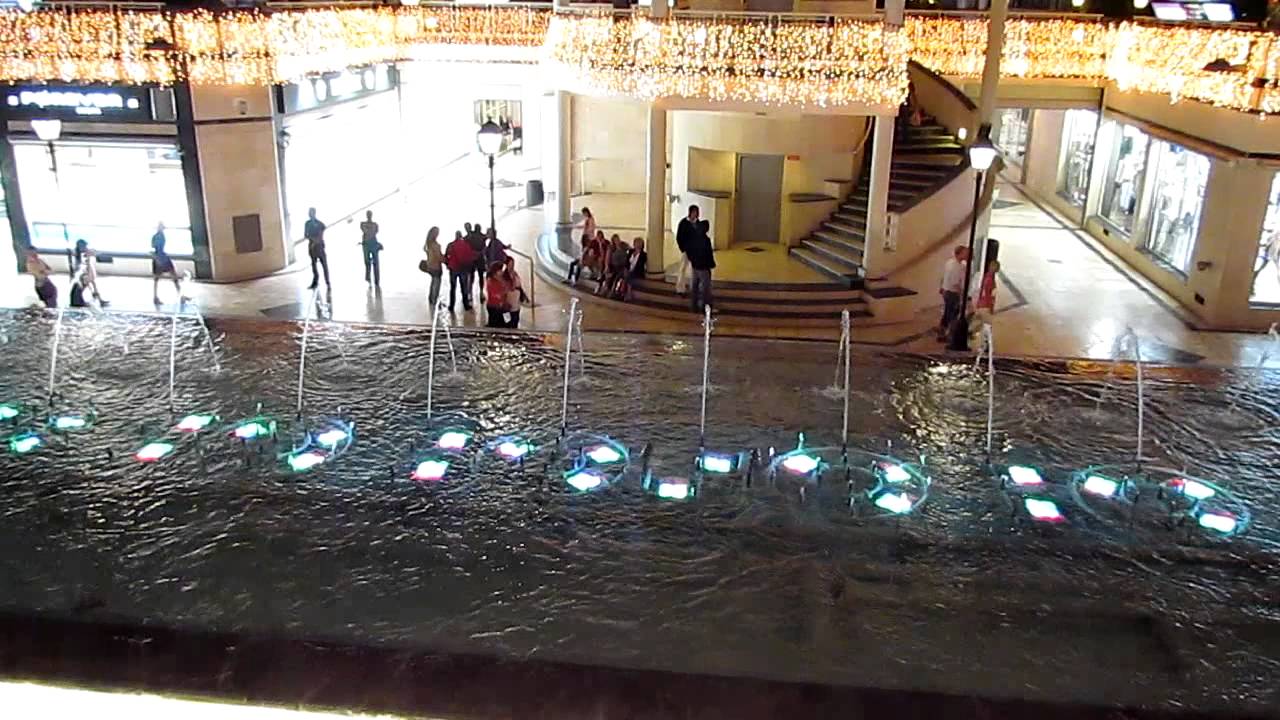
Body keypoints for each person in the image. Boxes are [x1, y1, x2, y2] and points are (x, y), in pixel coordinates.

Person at [937, 245, 969, 341]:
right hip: (953, 293)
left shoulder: (950, 262)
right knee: (953, 315)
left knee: (947, 313)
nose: (967, 255)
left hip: (947, 291)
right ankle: (950, 336)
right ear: (959, 254)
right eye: (965, 253)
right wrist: (962, 296)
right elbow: (956, 283)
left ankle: (942, 332)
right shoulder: (957, 266)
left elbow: (944, 276)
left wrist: (942, 287)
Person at [685, 216, 715, 312]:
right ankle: (705, 307)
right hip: (703, 267)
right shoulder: (706, 240)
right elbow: (708, 254)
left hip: (695, 267)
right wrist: (711, 264)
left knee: (694, 287)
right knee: (706, 289)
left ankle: (693, 306)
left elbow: (689, 251)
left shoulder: (692, 238)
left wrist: (693, 261)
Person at [445, 230, 477, 312]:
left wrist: (448, 265)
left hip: (453, 269)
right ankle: (466, 305)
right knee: (464, 288)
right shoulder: (466, 245)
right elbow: (470, 256)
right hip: (463, 269)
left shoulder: (451, 245)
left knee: (453, 288)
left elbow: (446, 256)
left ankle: (451, 305)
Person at [151, 221, 182, 304]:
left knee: (158, 278)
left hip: (160, 256)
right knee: (172, 275)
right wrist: (158, 259)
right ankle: (180, 295)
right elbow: (156, 247)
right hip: (161, 257)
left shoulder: (157, 236)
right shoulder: (159, 236)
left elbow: (153, 247)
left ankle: (155, 297)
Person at [675, 206, 702, 295]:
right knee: (683, 268)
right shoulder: (683, 223)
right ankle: (680, 288)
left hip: (695, 250)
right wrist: (682, 248)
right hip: (686, 250)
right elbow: (679, 236)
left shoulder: (698, 223)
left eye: (696, 212)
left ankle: (693, 287)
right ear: (690, 212)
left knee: (695, 270)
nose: (695, 214)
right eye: (693, 212)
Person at [72, 239, 107, 306]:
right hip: (82, 273)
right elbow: (83, 265)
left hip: (83, 273)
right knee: (90, 282)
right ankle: (98, 299)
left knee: (92, 283)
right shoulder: (81, 254)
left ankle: (98, 299)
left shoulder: (79, 253)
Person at [304, 208, 330, 290]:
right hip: (312, 246)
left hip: (320, 246)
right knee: (314, 265)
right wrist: (313, 239)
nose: (310, 214)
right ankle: (315, 282)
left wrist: (318, 240)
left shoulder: (320, 223)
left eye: (311, 212)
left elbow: (322, 232)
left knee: (324, 265)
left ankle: (327, 281)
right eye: (309, 213)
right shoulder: (307, 223)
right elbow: (306, 235)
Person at [359, 210, 382, 288]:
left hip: (373, 244)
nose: (369, 216)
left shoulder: (375, 224)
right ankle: (368, 280)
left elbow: (375, 232)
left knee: (375, 263)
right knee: (367, 263)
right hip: (366, 245)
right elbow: (365, 230)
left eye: (370, 214)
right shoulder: (363, 224)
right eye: (368, 215)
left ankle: (376, 281)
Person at [502, 256, 527, 328]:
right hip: (507, 304)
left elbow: (519, 285)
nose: (512, 266)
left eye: (513, 264)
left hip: (516, 302)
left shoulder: (515, 273)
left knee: (515, 320)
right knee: (507, 322)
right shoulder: (504, 276)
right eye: (510, 264)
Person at [484, 261, 510, 328]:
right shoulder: (491, 281)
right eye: (500, 270)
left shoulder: (502, 279)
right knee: (496, 325)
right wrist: (504, 291)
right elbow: (495, 294)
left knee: (507, 322)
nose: (501, 272)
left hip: (505, 307)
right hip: (494, 307)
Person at [467, 222, 488, 305]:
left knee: (471, 276)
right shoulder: (482, 237)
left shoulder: (471, 236)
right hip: (480, 259)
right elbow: (484, 247)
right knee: (481, 277)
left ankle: (470, 293)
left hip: (472, 259)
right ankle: (481, 292)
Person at [423, 226, 444, 307]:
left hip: (430, 266)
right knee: (437, 284)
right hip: (436, 266)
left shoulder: (428, 244)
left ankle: (431, 299)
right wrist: (446, 261)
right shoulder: (436, 245)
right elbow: (439, 257)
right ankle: (434, 301)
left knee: (433, 283)